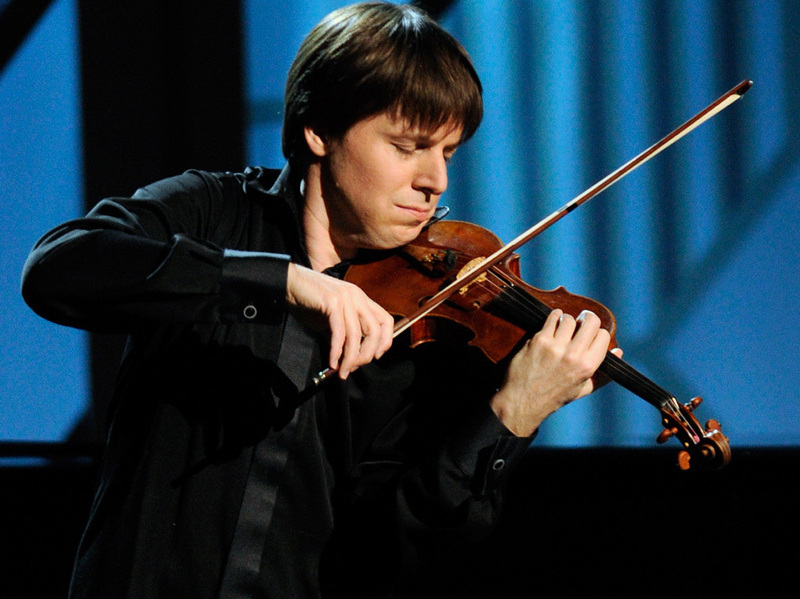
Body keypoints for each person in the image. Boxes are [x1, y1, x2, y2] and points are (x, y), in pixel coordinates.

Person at [22, 3, 616, 598]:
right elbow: (58, 267)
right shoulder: (212, 210)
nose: (436, 181)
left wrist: (511, 416)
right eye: (409, 146)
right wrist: (281, 282)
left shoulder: (425, 329)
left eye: (448, 153)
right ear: (320, 129)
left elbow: (388, 552)